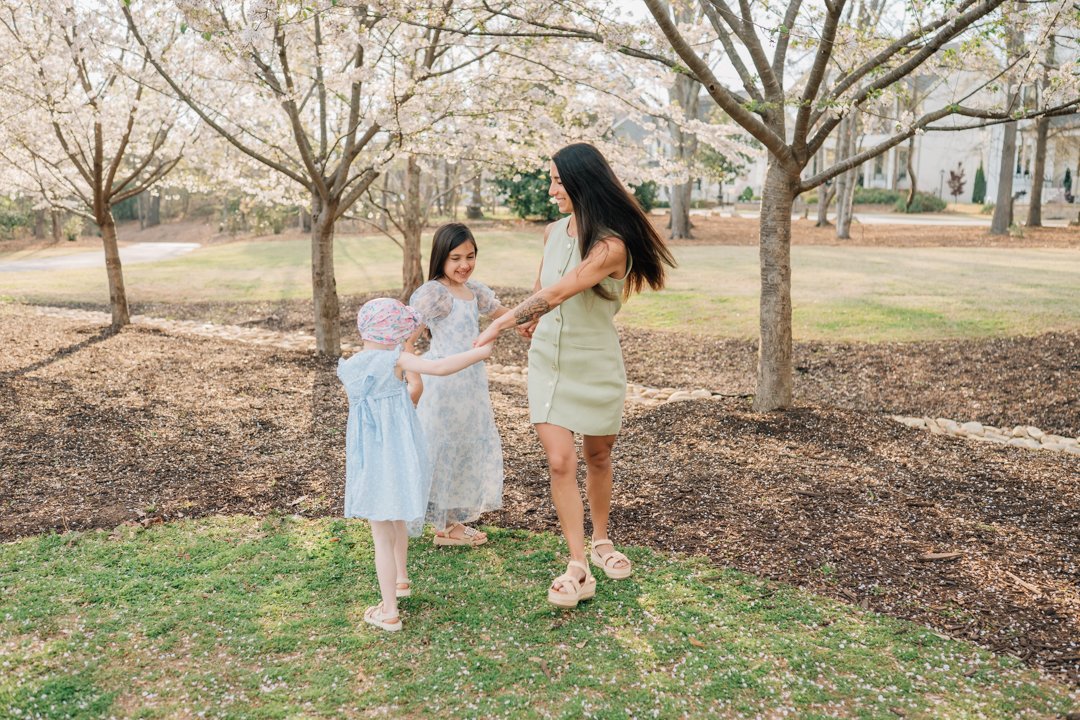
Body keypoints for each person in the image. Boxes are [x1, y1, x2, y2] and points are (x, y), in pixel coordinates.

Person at [475, 143, 675, 608]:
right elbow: (544, 288)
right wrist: (529, 321)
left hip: (596, 363)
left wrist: (499, 324)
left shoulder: (611, 246)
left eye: (558, 182)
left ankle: (602, 540)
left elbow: (564, 289)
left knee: (597, 456)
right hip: (548, 360)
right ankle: (578, 564)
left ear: (584, 184)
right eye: (551, 180)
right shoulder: (552, 232)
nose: (551, 191)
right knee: (560, 461)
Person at [338, 298, 492, 631]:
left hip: (370, 459)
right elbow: (440, 368)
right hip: (399, 455)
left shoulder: (350, 367)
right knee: (396, 521)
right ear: (396, 333)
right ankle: (396, 594)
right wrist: (479, 353)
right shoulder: (395, 359)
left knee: (382, 530)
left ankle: (392, 601)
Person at [410, 224, 509, 547]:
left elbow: (505, 316)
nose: (464, 265)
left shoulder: (475, 291)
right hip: (443, 385)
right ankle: (443, 524)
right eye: (455, 258)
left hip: (471, 385)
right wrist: (414, 379)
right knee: (441, 448)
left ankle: (450, 522)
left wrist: (536, 319)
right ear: (441, 257)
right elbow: (406, 339)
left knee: (465, 446)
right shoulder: (435, 293)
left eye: (470, 256)